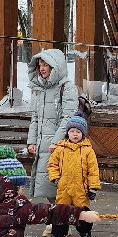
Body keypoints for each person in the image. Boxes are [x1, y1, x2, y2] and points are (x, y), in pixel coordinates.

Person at [25, 48, 78, 201]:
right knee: (50, 188)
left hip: (59, 146)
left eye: (45, 65)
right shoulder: (39, 88)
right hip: (43, 146)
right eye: (40, 65)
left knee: (61, 188)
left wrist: (56, 142)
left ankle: (69, 214)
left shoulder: (67, 87)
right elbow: (35, 117)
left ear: (55, 66)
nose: (41, 68)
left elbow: (68, 118)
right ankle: (58, 214)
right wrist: (32, 141)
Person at [47, 114, 101, 237]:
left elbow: (93, 170)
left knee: (83, 213)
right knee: (60, 213)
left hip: (80, 189)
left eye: (78, 132)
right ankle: (57, 236)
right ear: (67, 133)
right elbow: (52, 164)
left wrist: (93, 187)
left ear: (83, 134)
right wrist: (55, 178)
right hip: (64, 188)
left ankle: (85, 235)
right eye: (72, 131)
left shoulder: (88, 150)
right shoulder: (60, 148)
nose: (75, 134)